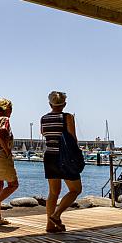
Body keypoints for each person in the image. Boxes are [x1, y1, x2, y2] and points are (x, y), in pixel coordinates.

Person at [40, 91, 82, 232]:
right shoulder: (68, 117)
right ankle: (56, 215)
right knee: (76, 189)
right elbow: (72, 138)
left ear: (50, 104)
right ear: (64, 104)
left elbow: (44, 134)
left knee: (53, 192)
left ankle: (49, 225)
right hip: (64, 157)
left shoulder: (43, 118)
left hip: (49, 156)